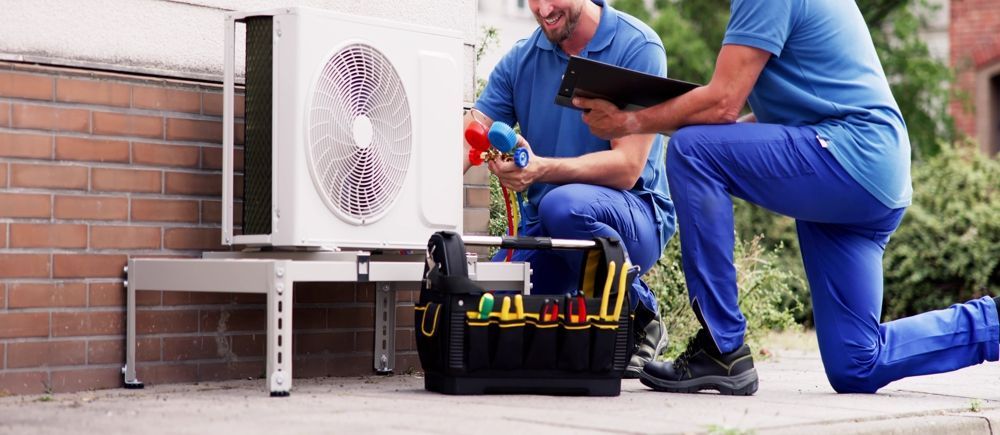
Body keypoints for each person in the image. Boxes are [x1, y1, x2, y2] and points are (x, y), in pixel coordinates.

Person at [575, 0, 1000, 396]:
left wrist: (630, 121)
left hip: (850, 157)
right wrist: (712, 140)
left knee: (692, 151)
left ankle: (721, 348)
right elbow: (768, 111)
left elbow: (722, 103)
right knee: (856, 363)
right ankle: (993, 323)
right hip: (870, 173)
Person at [464, 0, 677, 376]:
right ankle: (593, 316)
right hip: (548, 230)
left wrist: (541, 169)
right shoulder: (522, 60)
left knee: (563, 205)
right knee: (480, 321)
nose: (543, 8)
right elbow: (468, 139)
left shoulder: (636, 47)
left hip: (632, 218)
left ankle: (639, 311)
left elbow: (627, 168)